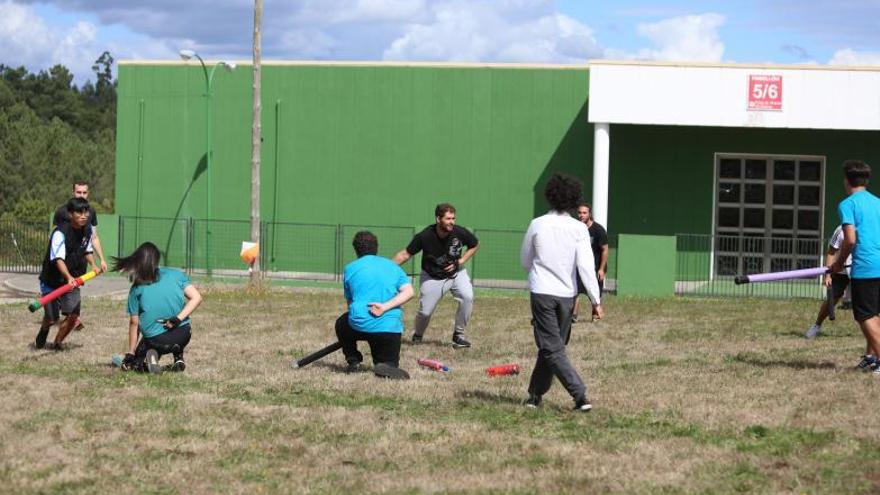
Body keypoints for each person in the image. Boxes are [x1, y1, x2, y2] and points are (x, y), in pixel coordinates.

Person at [520, 172, 604, 412]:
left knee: (552, 347)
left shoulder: (537, 224)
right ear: (573, 200)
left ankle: (580, 396)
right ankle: (535, 395)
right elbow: (586, 267)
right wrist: (596, 301)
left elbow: (525, 260)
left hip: (542, 291)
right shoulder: (579, 228)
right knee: (552, 346)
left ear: (550, 196)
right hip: (568, 295)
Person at [393, 203, 480, 348]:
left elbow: (475, 244)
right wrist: (386, 268)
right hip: (432, 276)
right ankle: (418, 334)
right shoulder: (425, 236)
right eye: (448, 219)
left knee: (467, 297)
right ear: (438, 219)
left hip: (457, 273)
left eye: (453, 218)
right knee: (425, 312)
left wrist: (461, 261)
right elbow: (405, 254)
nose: (452, 222)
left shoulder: (459, 232)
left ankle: (459, 335)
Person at [114, 242, 202, 374]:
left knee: (138, 359)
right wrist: (178, 319)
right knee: (170, 319)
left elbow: (134, 323)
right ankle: (178, 358)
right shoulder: (176, 275)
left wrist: (131, 353)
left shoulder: (137, 288)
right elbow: (197, 298)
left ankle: (150, 358)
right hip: (184, 335)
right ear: (156, 260)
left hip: (157, 341)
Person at [337, 231, 414, 379]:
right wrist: (384, 307)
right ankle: (386, 365)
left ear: (356, 250)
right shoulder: (393, 267)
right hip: (388, 329)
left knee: (342, 323)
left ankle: (353, 360)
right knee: (386, 363)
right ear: (376, 248)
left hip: (359, 323)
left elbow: (350, 303)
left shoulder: (350, 268)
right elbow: (409, 292)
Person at [829, 160, 880, 375]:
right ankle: (872, 359)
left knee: (864, 316)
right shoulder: (877, 202)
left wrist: (838, 264)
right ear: (866, 180)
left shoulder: (847, 204)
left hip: (865, 267)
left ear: (846, 181)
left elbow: (849, 240)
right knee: (875, 314)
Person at [35, 198, 100, 349]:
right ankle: (44, 329)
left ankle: (57, 342)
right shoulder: (60, 233)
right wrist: (69, 277)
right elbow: (58, 259)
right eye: (79, 212)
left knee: (73, 315)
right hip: (51, 280)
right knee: (51, 318)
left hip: (71, 280)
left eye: (86, 212)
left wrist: (94, 264)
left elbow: (87, 250)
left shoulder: (87, 230)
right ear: (71, 214)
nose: (84, 216)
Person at [54, 180, 108, 332]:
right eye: (79, 192)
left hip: (80, 260)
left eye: (84, 192)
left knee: (74, 287)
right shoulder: (62, 212)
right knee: (65, 287)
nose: (82, 195)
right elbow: (54, 236)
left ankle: (70, 315)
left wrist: (101, 259)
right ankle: (71, 316)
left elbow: (94, 238)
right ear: (73, 192)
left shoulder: (91, 212)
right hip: (64, 261)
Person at [805, 225, 852, 339]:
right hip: (840, 271)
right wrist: (828, 275)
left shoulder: (869, 226)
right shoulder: (840, 230)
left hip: (862, 270)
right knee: (832, 299)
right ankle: (817, 325)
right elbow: (831, 252)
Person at [573, 203, 609, 323]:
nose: (581, 215)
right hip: (579, 267)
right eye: (579, 212)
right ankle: (573, 317)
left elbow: (605, 249)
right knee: (575, 292)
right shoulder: (575, 229)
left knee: (595, 293)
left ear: (590, 214)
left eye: (584, 213)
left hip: (595, 268)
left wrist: (602, 269)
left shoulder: (598, 230)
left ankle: (595, 316)